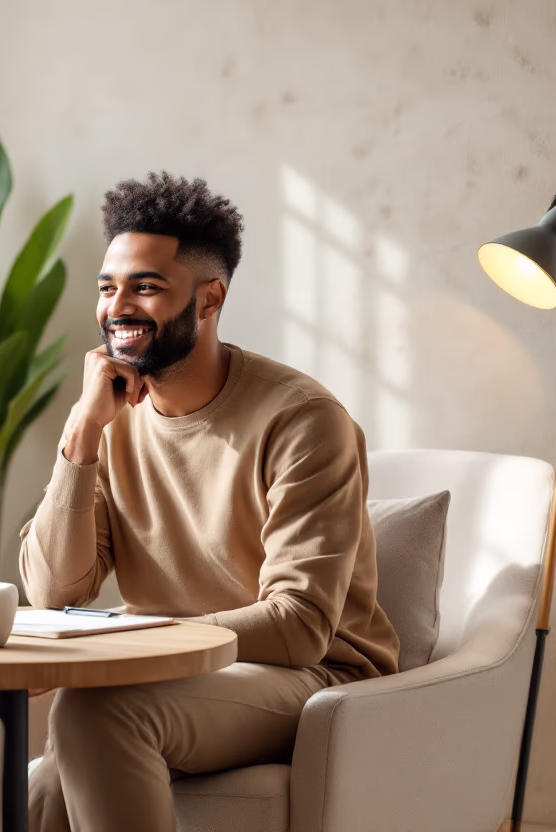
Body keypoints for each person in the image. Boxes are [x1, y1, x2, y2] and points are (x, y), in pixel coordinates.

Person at [20, 172, 400, 832]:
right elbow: (54, 591)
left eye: (146, 286)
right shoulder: (111, 420)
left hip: (310, 679)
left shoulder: (303, 419)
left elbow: (299, 625)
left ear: (210, 298)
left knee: (97, 709)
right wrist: (81, 435)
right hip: (169, 674)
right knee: (31, 774)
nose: (118, 307)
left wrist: (127, 647)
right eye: (108, 288)